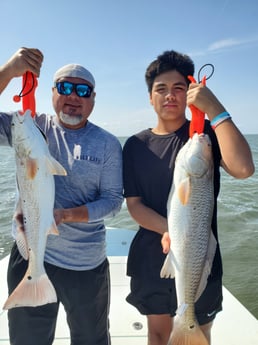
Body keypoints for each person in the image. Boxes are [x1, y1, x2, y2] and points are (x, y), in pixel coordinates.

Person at [122, 50, 255, 345]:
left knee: (198, 330)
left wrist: (215, 109)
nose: (170, 96)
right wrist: (169, 230)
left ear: (191, 93)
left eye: (179, 88)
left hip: (199, 256)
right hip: (151, 256)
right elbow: (134, 205)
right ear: (150, 97)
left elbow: (244, 169)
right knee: (158, 334)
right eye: (161, 89)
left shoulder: (207, 135)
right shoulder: (135, 145)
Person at [0, 47, 123, 345]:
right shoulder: (28, 125)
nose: (73, 96)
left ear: (93, 99)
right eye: (65, 87)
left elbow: (112, 201)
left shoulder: (106, 144)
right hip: (30, 254)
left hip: (85, 265)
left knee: (91, 340)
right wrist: (8, 71)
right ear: (53, 92)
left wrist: (68, 215)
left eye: (83, 90)